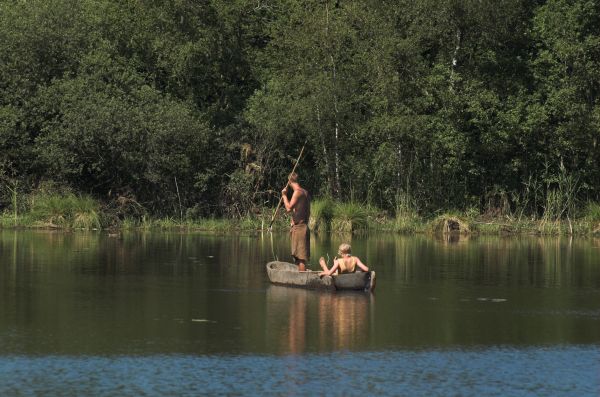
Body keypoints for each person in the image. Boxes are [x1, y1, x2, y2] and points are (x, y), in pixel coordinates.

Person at [281, 172, 310, 271]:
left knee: (301, 258)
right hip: (301, 227)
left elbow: (288, 208)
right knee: (297, 257)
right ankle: (300, 278)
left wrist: (284, 195)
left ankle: (302, 280)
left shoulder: (297, 192)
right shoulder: (305, 192)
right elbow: (302, 210)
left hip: (300, 228)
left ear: (289, 182)